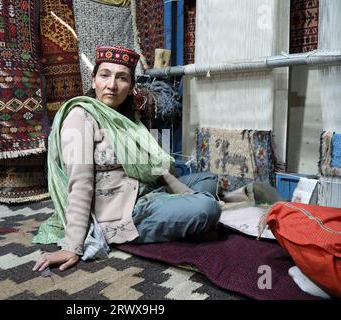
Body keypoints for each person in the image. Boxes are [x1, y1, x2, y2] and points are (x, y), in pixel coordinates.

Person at [32, 45, 221, 273]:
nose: (111, 85)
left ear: (131, 87)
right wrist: (72, 246)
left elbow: (154, 167)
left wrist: (180, 190)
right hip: (125, 212)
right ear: (93, 81)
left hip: (147, 189)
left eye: (122, 78)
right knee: (207, 207)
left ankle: (185, 212)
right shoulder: (80, 117)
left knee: (209, 178)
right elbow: (79, 184)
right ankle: (189, 216)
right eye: (104, 75)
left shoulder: (125, 119)